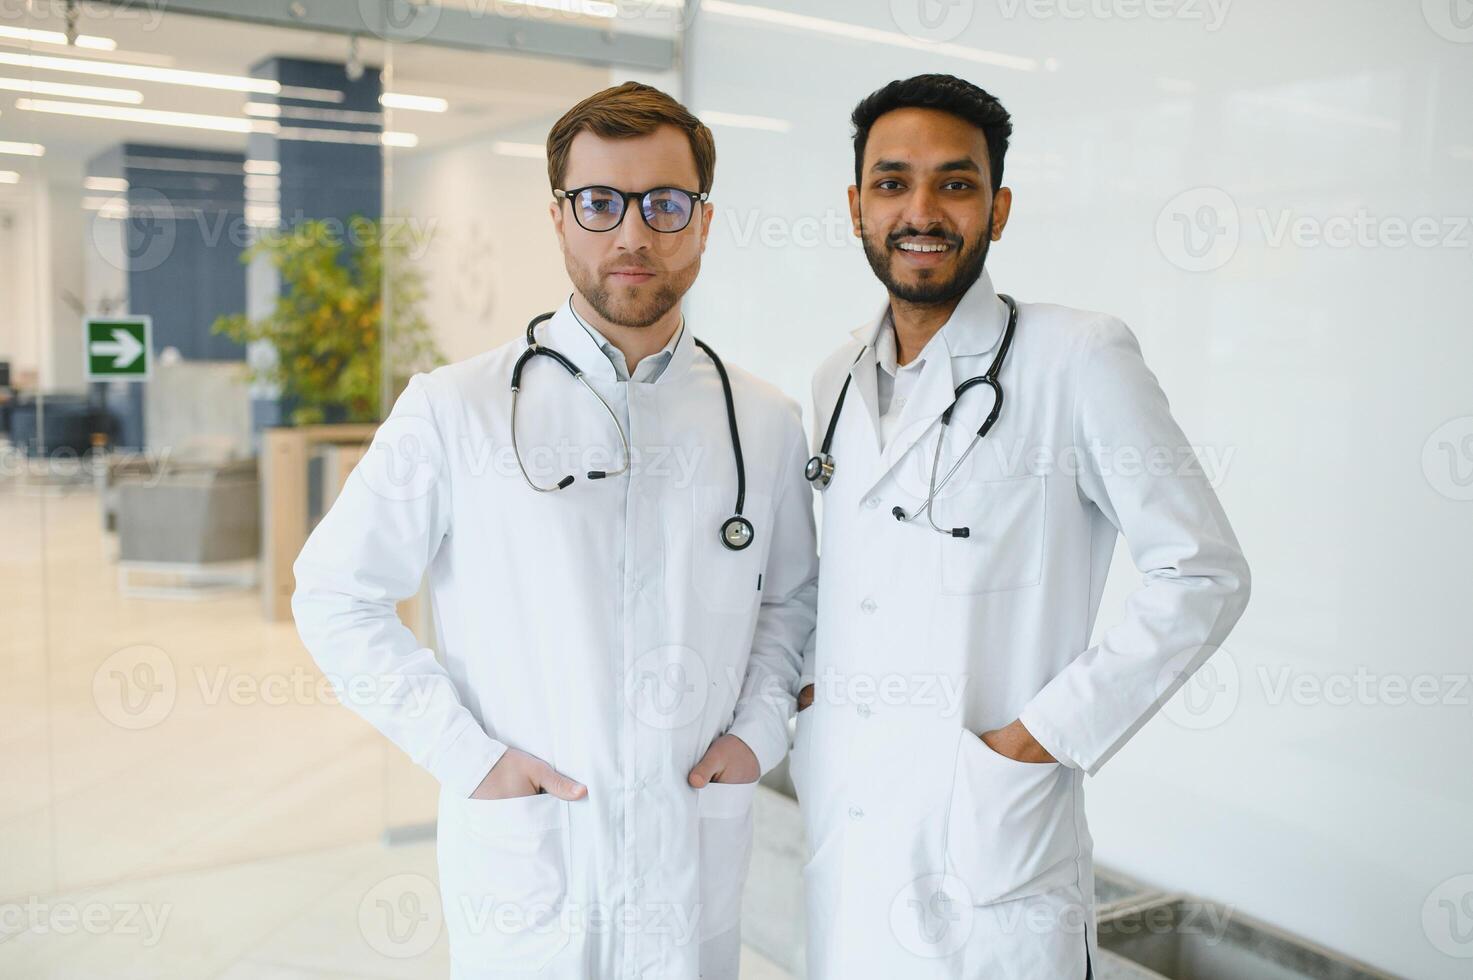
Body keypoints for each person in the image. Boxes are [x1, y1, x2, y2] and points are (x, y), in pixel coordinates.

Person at [291, 81, 817, 980]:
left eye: (664, 203)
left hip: (692, 844)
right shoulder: (458, 409)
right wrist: (470, 756)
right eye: (600, 202)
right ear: (559, 218)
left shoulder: (760, 420)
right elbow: (336, 594)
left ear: (702, 219)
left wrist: (758, 737)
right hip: (530, 857)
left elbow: (793, 605)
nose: (633, 235)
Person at [790, 74, 1251, 979]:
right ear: (855, 207)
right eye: (891, 183)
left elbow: (1201, 572)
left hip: (990, 843)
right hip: (848, 829)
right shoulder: (834, 379)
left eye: (954, 184)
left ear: (997, 208)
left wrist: (1038, 737)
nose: (920, 210)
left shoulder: (1076, 357)